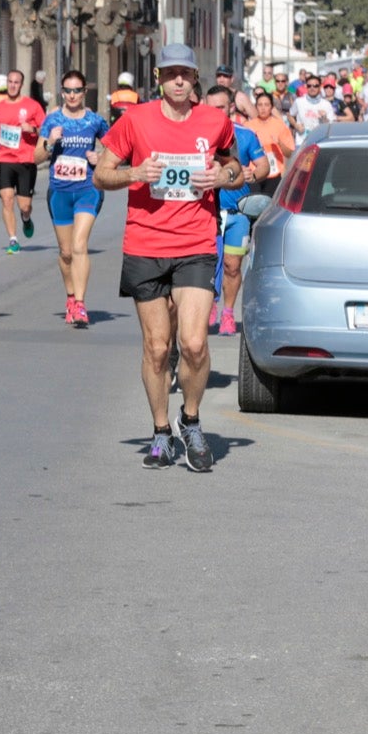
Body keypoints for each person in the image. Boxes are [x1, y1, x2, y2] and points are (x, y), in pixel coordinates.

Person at [92, 43, 242, 473]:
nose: (179, 79)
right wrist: (134, 174)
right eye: (170, 72)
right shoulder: (135, 120)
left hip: (196, 242)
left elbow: (235, 167)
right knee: (157, 348)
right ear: (158, 77)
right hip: (145, 245)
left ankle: (191, 421)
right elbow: (103, 174)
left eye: (186, 73)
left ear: (196, 79)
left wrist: (222, 176)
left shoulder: (215, 120)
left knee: (193, 343)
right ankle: (160, 430)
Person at [35, 69, 112, 328]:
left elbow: (115, 150)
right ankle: (70, 296)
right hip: (59, 192)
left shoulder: (95, 121)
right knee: (66, 252)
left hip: (88, 189)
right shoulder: (52, 121)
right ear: (62, 92)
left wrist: (100, 156)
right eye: (67, 90)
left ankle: (80, 303)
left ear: (84, 92)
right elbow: (35, 157)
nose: (71, 95)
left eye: (76, 90)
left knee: (80, 245)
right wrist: (49, 143)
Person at [202, 84, 270, 335]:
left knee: (232, 265)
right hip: (208, 213)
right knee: (208, 265)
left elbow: (263, 166)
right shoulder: (200, 137)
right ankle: (210, 305)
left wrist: (254, 174)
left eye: (220, 107)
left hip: (238, 215)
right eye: (210, 108)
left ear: (231, 107)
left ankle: (228, 313)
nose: (215, 112)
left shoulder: (246, 135)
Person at [0, 69, 47, 253]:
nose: (13, 85)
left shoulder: (33, 106)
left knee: (24, 205)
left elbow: (45, 130)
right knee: (6, 199)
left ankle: (26, 218)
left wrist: (32, 129)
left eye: (16, 82)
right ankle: (13, 239)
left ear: (21, 84)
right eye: (10, 82)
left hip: (26, 159)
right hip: (4, 158)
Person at [246, 92, 294, 198]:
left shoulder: (280, 126)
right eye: (260, 105)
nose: (263, 108)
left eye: (266, 105)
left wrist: (280, 143)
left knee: (271, 205)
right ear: (256, 107)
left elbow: (289, 153)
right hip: (255, 173)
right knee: (255, 205)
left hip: (274, 173)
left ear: (271, 107)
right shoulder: (248, 127)